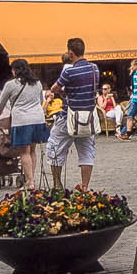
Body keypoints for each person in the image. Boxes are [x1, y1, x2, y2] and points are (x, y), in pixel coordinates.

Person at [47, 38, 103, 192]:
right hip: (88, 117)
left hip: (68, 117)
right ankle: (84, 187)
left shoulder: (69, 71)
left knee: (55, 148)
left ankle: (57, 185)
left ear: (71, 53)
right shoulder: (94, 68)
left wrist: (65, 91)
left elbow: (54, 88)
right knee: (87, 152)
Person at [0, 60, 48, 169]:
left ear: (15, 70)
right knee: (32, 150)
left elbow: (1, 103)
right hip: (38, 120)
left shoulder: (10, 85)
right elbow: (41, 100)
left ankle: (30, 183)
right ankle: (32, 177)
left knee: (24, 151)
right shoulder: (37, 83)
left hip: (22, 120)